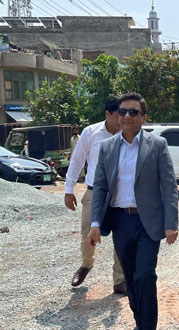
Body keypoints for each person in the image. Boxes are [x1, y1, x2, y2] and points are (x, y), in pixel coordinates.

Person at [87, 92, 179, 330]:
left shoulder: (157, 145)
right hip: (120, 221)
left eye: (133, 112)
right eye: (123, 112)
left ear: (144, 117)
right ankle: (140, 324)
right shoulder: (107, 147)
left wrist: (171, 223)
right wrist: (94, 224)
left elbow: (169, 186)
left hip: (148, 222)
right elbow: (101, 187)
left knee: (144, 275)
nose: (127, 116)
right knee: (129, 277)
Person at [65, 97, 126, 294]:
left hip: (121, 194)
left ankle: (119, 280)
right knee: (87, 235)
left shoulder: (130, 133)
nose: (124, 118)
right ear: (108, 115)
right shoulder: (91, 133)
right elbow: (77, 161)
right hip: (94, 193)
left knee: (122, 238)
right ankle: (86, 264)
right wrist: (68, 189)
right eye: (119, 114)